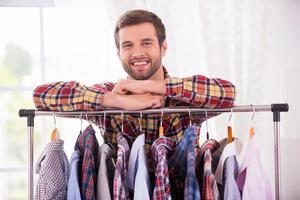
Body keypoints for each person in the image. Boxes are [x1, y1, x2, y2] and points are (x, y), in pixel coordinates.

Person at [33, 8, 235, 184]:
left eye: (146, 43)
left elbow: (227, 93)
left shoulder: (186, 96)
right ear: (118, 52)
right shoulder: (109, 94)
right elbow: (41, 95)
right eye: (128, 45)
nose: (137, 53)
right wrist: (118, 100)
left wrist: (149, 87)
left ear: (163, 47)